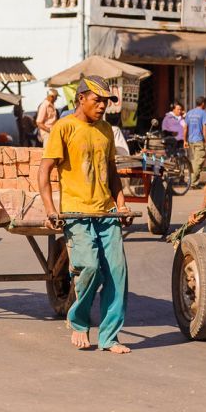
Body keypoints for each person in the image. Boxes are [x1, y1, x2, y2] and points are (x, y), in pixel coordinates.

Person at [39, 75, 132, 354]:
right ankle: (79, 321)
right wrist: (50, 209)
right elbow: (44, 171)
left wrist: (122, 203)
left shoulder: (106, 130)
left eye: (106, 101)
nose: (102, 106)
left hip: (106, 213)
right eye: (97, 100)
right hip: (76, 213)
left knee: (117, 273)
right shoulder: (64, 127)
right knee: (89, 267)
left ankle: (109, 337)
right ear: (81, 99)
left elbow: (112, 174)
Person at [183, 96, 206, 188]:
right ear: (202, 104)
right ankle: (193, 183)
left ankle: (192, 181)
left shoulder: (189, 113)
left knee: (193, 161)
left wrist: (185, 140)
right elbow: (204, 127)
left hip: (190, 141)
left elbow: (185, 127)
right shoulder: (203, 113)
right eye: (205, 103)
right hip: (199, 140)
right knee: (198, 162)